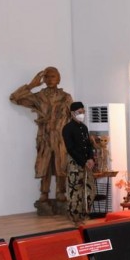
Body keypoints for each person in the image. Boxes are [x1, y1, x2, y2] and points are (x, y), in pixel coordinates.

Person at [10, 67, 73, 210]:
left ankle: (61, 194)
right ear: (43, 80)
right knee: (44, 165)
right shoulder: (38, 97)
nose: (50, 79)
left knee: (61, 165)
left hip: (61, 137)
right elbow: (14, 98)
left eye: (53, 76)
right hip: (44, 137)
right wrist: (32, 85)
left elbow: (75, 116)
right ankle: (44, 194)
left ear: (58, 79)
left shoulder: (66, 97)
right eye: (47, 77)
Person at [61, 102, 96, 226]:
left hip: (87, 163)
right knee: (75, 190)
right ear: (72, 113)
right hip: (75, 163)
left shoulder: (84, 127)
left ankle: (84, 214)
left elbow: (88, 145)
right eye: (79, 112)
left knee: (90, 190)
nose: (82, 115)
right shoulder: (67, 128)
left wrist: (91, 158)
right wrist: (83, 161)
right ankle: (75, 217)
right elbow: (70, 148)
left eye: (83, 112)